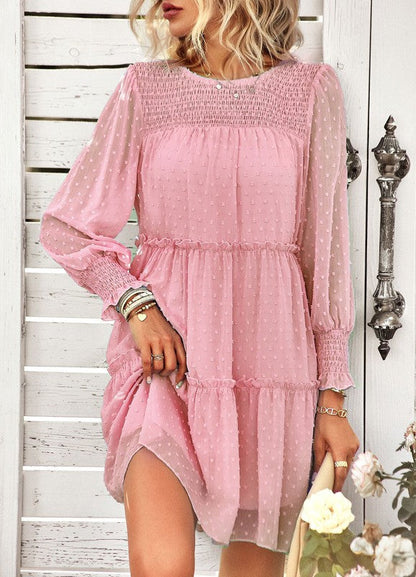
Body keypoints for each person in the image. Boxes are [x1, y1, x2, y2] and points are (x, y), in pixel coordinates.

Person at [39, 0, 360, 575]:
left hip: (271, 376)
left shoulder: (311, 92)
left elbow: (326, 252)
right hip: (165, 370)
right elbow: (68, 226)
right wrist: (136, 305)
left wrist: (332, 399)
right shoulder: (145, 90)